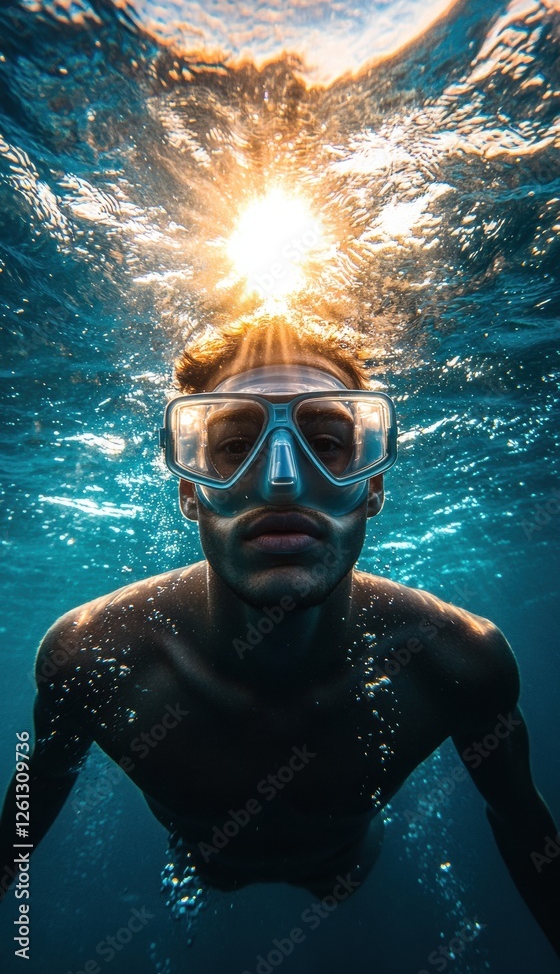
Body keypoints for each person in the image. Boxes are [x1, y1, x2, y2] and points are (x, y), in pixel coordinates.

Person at [0, 313, 558, 957]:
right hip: (202, 861)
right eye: (236, 447)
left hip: (343, 871)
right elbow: (27, 807)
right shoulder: (91, 653)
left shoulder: (457, 657)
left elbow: (525, 827)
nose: (282, 480)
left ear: (372, 484)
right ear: (190, 489)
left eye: (326, 442)